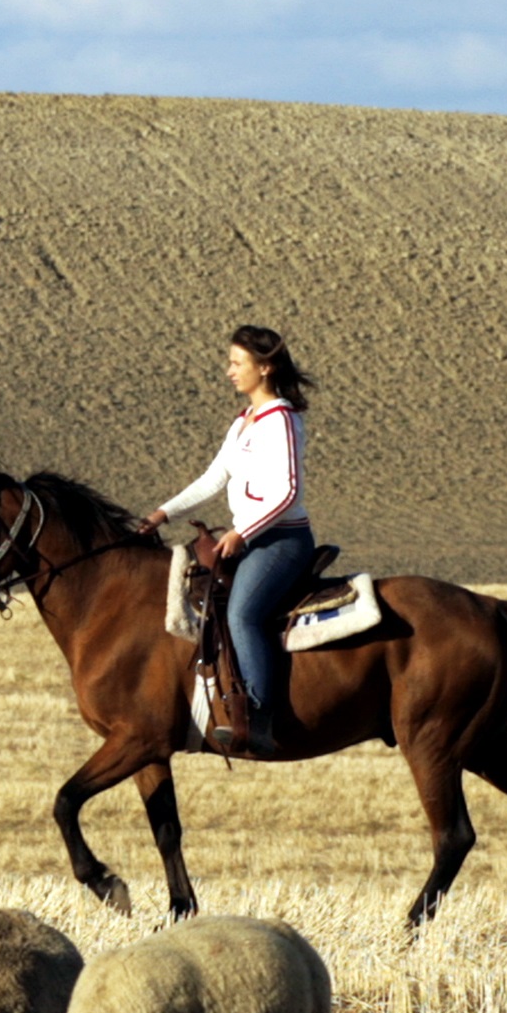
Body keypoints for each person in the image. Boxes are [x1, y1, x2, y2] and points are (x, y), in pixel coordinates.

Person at [150, 322, 317, 755]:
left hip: (280, 542)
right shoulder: (244, 421)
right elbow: (213, 479)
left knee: (243, 614)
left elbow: (288, 491)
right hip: (251, 539)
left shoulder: (280, 419)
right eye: (230, 361)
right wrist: (165, 512)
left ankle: (258, 717)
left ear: (264, 367)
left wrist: (243, 532)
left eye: (237, 362)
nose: (229, 370)